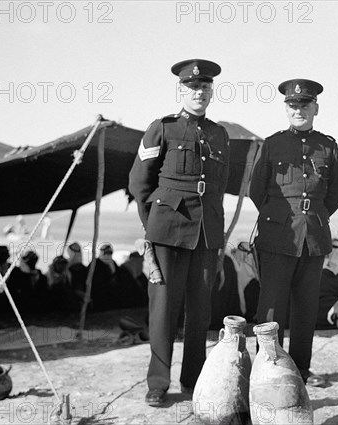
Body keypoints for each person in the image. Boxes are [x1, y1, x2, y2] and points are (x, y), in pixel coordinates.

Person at [128, 59, 229, 406]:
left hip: (205, 233)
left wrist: (216, 228)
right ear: (181, 90)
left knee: (201, 313)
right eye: (192, 87)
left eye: (204, 88)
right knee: (163, 312)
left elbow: (218, 186)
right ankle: (158, 383)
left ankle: (194, 380)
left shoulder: (219, 134)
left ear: (211, 92)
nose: (198, 93)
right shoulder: (163, 128)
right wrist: (151, 225)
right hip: (167, 231)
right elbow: (139, 181)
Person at [249, 78, 338, 385]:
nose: (299, 110)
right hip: (278, 237)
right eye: (293, 105)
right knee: (271, 307)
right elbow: (256, 191)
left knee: (305, 309)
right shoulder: (272, 144)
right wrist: (278, 217)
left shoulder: (327, 147)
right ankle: (266, 367)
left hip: (313, 238)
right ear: (286, 108)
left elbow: (337, 193)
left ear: (315, 108)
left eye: (305, 105)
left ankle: (302, 369)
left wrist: (314, 218)